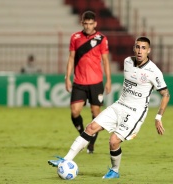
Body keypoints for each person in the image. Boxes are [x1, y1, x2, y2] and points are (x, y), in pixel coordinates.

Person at [48, 36, 170, 179]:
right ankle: (66, 159)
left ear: (148, 51)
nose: (140, 51)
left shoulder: (154, 71)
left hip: (135, 113)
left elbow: (166, 94)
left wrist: (158, 117)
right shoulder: (127, 62)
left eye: (143, 48)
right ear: (133, 48)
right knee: (90, 128)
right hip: (119, 105)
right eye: (137, 47)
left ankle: (115, 170)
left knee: (113, 141)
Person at [65, 10, 112, 154]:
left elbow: (105, 60)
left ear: (95, 24)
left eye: (91, 24)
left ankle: (91, 143)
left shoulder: (101, 39)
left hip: (96, 82)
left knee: (96, 113)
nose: (88, 26)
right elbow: (72, 58)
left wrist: (109, 80)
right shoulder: (75, 37)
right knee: (74, 111)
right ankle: (82, 134)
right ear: (82, 23)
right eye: (85, 24)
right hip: (79, 81)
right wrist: (67, 77)